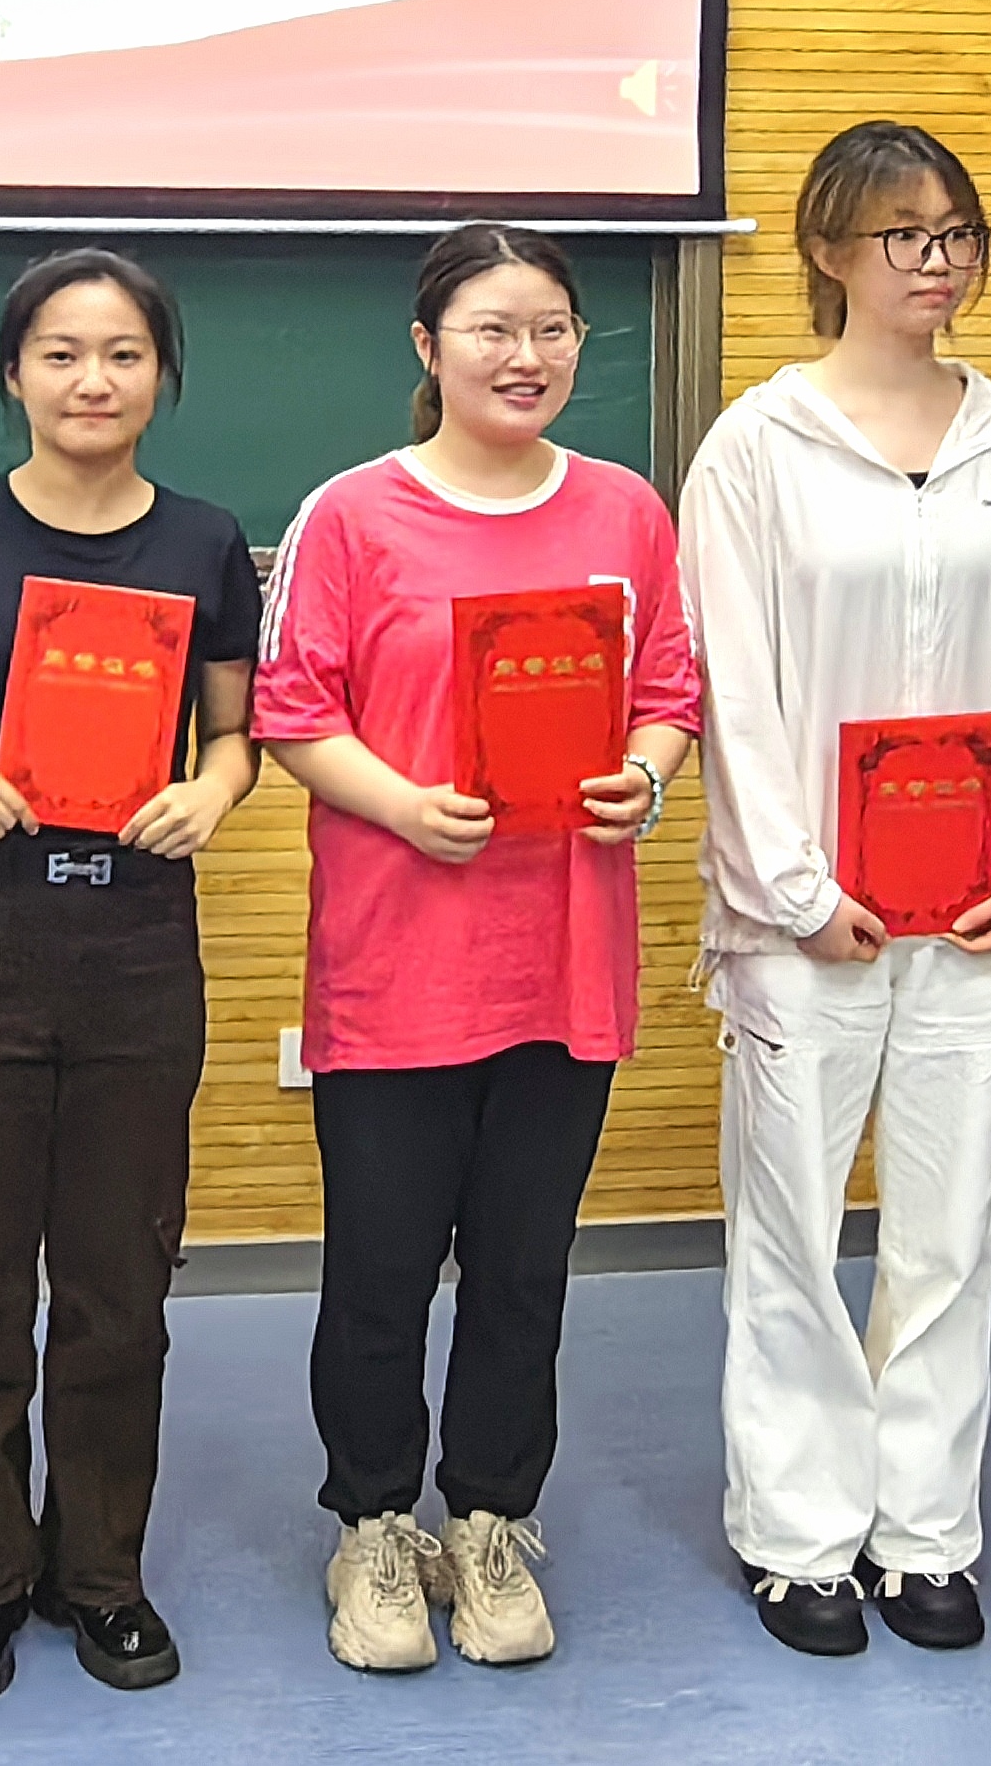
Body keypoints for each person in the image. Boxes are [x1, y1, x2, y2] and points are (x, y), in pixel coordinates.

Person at [679, 125, 991, 1658]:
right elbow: (732, 687)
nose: (935, 263)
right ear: (826, 251)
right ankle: (799, 1539)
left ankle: (925, 1532)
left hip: (979, 918)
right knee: (791, 1232)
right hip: (807, 925)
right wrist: (793, 887)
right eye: (901, 235)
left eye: (956, 234)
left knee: (947, 1234)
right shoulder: (756, 447)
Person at [255, 221, 702, 1674]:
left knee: (524, 1267)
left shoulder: (626, 509)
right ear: (428, 346)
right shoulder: (350, 515)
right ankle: (375, 1525)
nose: (526, 356)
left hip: (563, 957)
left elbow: (669, 690)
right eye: (493, 329)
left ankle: (494, 1517)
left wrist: (644, 778)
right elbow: (292, 709)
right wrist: (401, 806)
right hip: (398, 959)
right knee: (380, 1270)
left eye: (553, 328)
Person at [0, 250, 263, 1701]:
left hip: (137, 950)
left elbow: (234, 736)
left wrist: (211, 794)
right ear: (14, 374)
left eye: (122, 354)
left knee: (118, 1280)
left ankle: (99, 1572)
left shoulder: (206, 541)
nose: (92, 381)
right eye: (60, 354)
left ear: (161, 375)